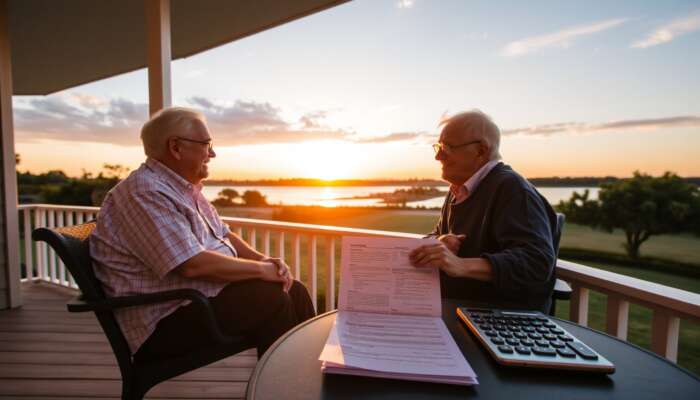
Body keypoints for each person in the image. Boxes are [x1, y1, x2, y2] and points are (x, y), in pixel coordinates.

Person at [90, 107, 315, 361]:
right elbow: (191, 265)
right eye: (207, 144)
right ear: (175, 147)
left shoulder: (183, 189)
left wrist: (262, 259)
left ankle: (308, 374)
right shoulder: (144, 192)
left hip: (195, 302)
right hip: (162, 320)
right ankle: (282, 388)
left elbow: (223, 234)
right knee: (272, 298)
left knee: (294, 290)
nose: (213, 153)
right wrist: (261, 271)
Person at [409, 110, 557, 312]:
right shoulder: (458, 190)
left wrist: (461, 265)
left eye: (447, 147)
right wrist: (440, 241)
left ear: (481, 151)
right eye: (438, 147)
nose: (438, 156)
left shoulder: (512, 189)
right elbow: (438, 235)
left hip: (503, 319)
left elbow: (537, 262)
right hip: (461, 309)